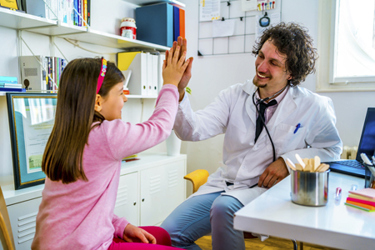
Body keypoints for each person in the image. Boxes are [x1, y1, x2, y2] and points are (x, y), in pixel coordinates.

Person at [161, 23, 343, 250]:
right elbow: (192, 130)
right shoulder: (234, 95)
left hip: (266, 191)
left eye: (273, 63)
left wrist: (288, 162)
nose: (261, 66)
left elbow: (331, 150)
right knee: (166, 237)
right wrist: (178, 91)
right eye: (260, 56)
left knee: (223, 208)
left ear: (291, 73)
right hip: (224, 185)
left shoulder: (313, 106)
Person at [31, 43, 190, 250]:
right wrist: (170, 84)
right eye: (120, 92)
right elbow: (159, 128)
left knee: (160, 235)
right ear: (98, 102)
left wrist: (121, 226)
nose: (124, 98)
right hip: (86, 246)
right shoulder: (105, 134)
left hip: (57, 243)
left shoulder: (65, 135)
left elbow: (84, 207)